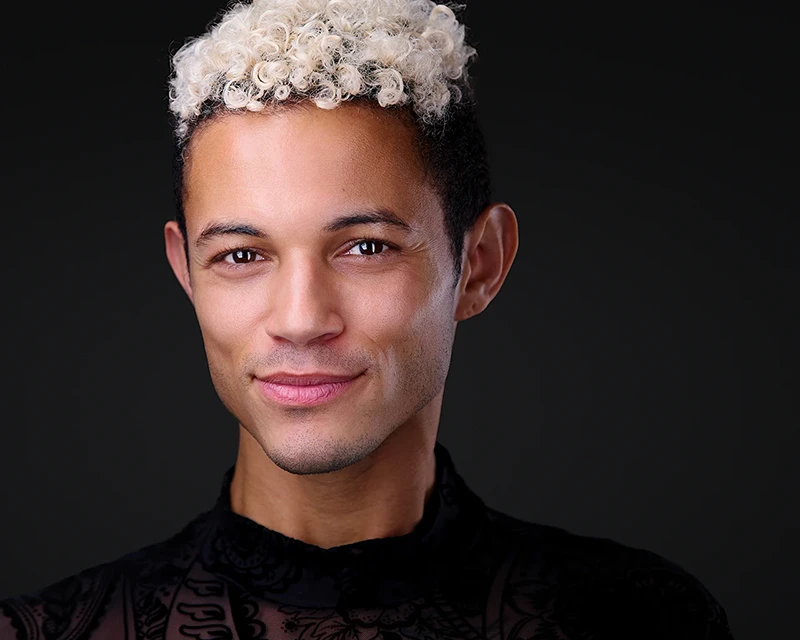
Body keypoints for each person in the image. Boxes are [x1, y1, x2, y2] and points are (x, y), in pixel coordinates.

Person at [0, 1, 734, 638]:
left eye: (365, 247)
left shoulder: (642, 619)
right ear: (186, 270)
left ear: (477, 263)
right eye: (242, 255)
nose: (300, 319)